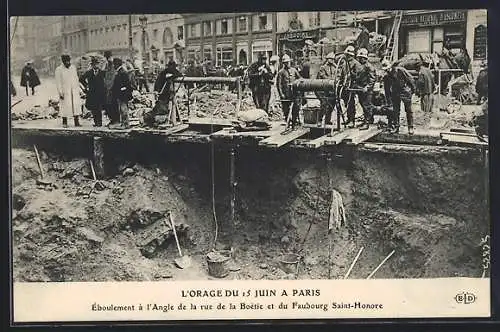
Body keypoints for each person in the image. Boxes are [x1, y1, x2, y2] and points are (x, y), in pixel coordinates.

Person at [381, 59, 416, 135]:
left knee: (408, 110)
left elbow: (410, 79)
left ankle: (410, 127)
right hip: (395, 93)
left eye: (388, 69)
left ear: (390, 66)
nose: (387, 71)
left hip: (405, 92)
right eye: (385, 70)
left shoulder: (400, 70)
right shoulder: (386, 77)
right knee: (396, 111)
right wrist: (388, 101)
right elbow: (386, 90)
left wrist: (413, 90)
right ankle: (396, 127)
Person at [147, 59, 184, 126]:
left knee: (164, 105)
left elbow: (179, 75)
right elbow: (179, 74)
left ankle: (169, 117)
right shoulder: (166, 72)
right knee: (163, 106)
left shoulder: (165, 72)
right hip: (164, 92)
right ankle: (166, 118)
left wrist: (171, 77)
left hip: (164, 92)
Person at [55, 53, 82, 127]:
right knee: (65, 106)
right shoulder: (59, 69)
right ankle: (64, 122)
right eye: (66, 61)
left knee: (75, 106)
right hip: (65, 91)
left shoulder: (73, 68)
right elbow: (58, 82)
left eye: (68, 61)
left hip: (74, 90)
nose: (67, 63)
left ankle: (76, 121)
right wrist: (60, 92)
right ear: (63, 61)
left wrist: (80, 90)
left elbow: (76, 79)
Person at [276, 54, 302, 129]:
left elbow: (300, 78)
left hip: (294, 93)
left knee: (296, 108)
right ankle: (288, 121)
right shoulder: (281, 72)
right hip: (286, 94)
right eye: (286, 63)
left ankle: (294, 122)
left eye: (288, 62)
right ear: (284, 63)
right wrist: (281, 94)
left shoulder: (294, 70)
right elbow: (279, 85)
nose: (287, 64)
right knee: (286, 109)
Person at [79, 56, 106, 127]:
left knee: (99, 108)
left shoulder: (102, 72)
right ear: (92, 65)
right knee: (94, 108)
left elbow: (107, 80)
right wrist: (85, 87)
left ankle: (99, 123)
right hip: (92, 93)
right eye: (94, 64)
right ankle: (96, 122)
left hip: (100, 93)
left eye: (97, 64)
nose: (95, 65)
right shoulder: (89, 72)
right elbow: (81, 79)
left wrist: (105, 88)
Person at [354, 48, 375, 130]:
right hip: (360, 89)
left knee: (367, 105)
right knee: (362, 104)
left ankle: (367, 123)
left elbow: (372, 79)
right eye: (359, 57)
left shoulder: (369, 67)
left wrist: (367, 87)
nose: (360, 59)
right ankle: (368, 120)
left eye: (361, 58)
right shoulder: (360, 66)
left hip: (366, 90)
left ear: (365, 58)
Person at [342, 45, 362, 128]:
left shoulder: (356, 63)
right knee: (347, 103)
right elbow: (343, 73)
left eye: (347, 55)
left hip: (352, 86)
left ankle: (352, 120)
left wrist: (352, 76)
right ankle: (348, 118)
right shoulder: (345, 63)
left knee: (351, 103)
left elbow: (359, 75)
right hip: (345, 85)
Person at [111, 58, 133, 129]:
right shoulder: (120, 72)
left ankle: (125, 124)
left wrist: (121, 90)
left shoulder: (122, 72)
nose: (113, 66)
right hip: (121, 94)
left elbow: (126, 85)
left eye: (114, 64)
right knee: (121, 109)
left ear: (117, 64)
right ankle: (124, 123)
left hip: (123, 94)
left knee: (123, 109)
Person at [316, 52, 336, 125]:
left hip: (332, 90)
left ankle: (328, 120)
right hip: (323, 90)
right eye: (330, 59)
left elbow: (338, 75)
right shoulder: (323, 68)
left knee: (332, 105)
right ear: (327, 59)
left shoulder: (335, 68)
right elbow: (323, 77)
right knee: (324, 105)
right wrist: (332, 80)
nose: (332, 60)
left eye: (333, 59)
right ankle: (319, 120)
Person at [103, 51, 120, 126]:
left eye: (107, 57)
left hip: (112, 88)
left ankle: (115, 120)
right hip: (108, 87)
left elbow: (113, 76)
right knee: (108, 104)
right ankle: (113, 119)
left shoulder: (112, 64)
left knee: (113, 104)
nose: (107, 58)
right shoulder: (107, 64)